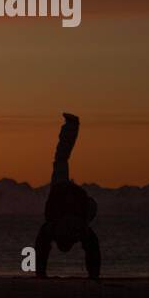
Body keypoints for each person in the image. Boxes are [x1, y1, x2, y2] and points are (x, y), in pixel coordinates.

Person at [34, 113, 100, 279]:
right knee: (61, 159)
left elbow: (93, 249)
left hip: (71, 195)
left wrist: (40, 274)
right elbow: (40, 248)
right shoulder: (65, 228)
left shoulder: (76, 229)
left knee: (62, 159)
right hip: (65, 192)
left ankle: (72, 125)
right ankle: (72, 125)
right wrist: (94, 276)